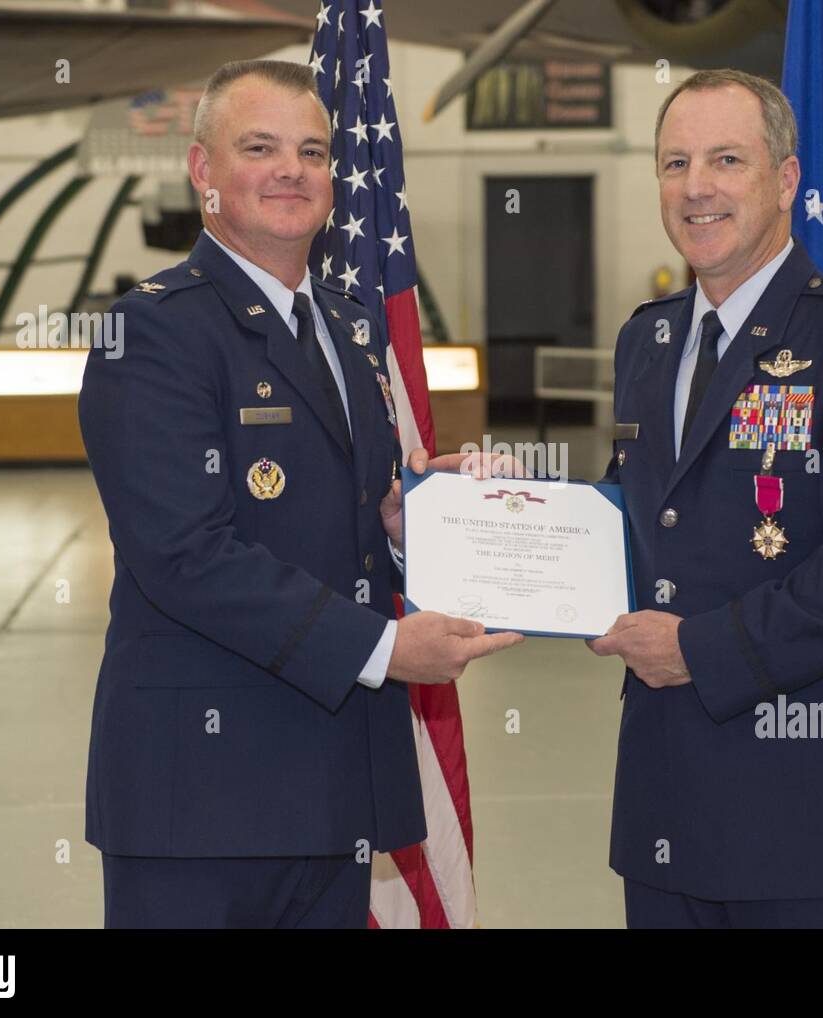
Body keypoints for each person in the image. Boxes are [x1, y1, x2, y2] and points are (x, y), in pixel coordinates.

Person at [78, 59, 520, 929]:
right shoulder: (151, 331)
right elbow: (185, 556)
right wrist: (383, 649)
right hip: (199, 800)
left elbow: (349, 522)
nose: (293, 169)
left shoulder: (348, 327)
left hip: (332, 786)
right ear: (203, 172)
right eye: (261, 147)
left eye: (314, 152)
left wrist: (406, 523)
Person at [588, 69, 823, 929]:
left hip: (819, 817)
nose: (697, 187)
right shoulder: (649, 338)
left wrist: (700, 651)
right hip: (669, 806)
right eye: (674, 163)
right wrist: (478, 513)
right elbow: (636, 513)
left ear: (786, 180)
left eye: (727, 159)